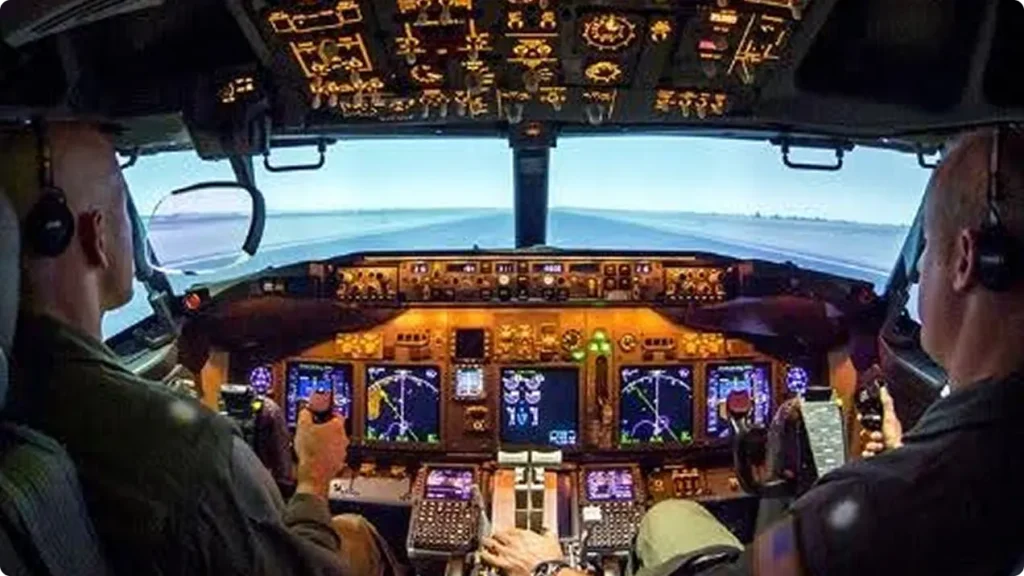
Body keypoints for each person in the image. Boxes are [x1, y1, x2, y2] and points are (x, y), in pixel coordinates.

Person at [481, 127, 1024, 576]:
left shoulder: (872, 507)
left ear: (965, 261)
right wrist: (907, 460)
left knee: (666, 515)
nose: (921, 266)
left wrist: (550, 567)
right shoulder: (946, 476)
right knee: (670, 515)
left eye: (925, 247)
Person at [0, 120, 397, 575]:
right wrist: (313, 475)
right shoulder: (184, 451)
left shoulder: (18, 400)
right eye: (129, 215)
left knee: (346, 529)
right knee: (357, 533)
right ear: (98, 237)